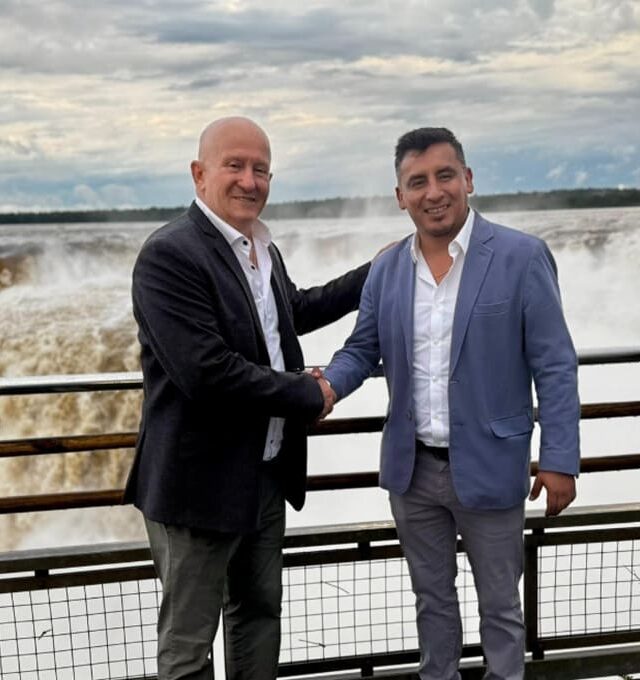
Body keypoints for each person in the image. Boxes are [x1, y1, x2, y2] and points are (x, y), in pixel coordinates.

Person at [317, 127, 580, 679]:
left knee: (501, 608)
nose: (433, 192)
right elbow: (361, 349)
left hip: (491, 465)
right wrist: (326, 388)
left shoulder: (521, 256)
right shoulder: (386, 269)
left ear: (468, 179)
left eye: (444, 176)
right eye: (417, 182)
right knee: (431, 602)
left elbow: (554, 365)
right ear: (400, 196)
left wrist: (560, 460)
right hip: (413, 472)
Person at [124, 116, 371, 680]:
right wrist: (308, 392)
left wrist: (374, 273)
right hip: (197, 485)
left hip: (263, 475)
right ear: (199, 173)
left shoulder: (261, 247)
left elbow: (293, 312)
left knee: (258, 616)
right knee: (189, 645)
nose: (249, 180)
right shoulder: (169, 254)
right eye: (234, 165)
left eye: (261, 169)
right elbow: (206, 372)